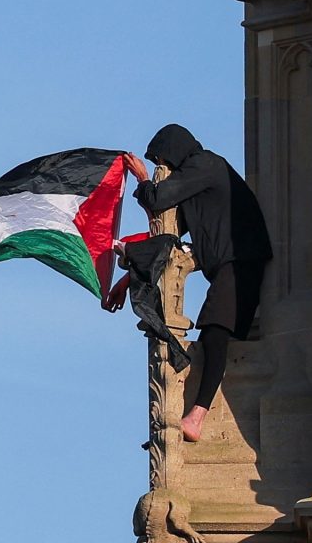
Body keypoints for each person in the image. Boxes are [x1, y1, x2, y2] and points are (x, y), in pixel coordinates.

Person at [102, 124, 272, 442]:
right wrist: (126, 280)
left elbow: (159, 198)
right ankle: (197, 413)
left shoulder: (205, 164)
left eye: (162, 161)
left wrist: (141, 177)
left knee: (215, 333)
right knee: (215, 332)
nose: (161, 169)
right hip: (232, 263)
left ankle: (197, 416)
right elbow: (168, 240)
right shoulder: (199, 182)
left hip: (240, 263)